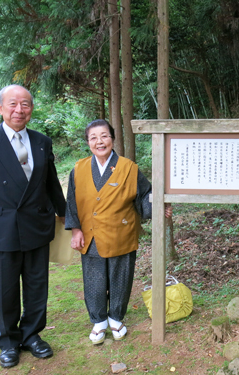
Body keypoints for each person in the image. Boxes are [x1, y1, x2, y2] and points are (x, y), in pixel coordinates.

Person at [0, 84, 66, 368]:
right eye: (13, 104)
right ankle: (8, 341)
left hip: (36, 224)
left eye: (25, 104)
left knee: (36, 285)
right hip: (0, 227)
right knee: (4, 288)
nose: (19, 110)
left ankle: (32, 335)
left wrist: (66, 215)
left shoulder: (42, 141)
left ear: (31, 109)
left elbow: (51, 183)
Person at [65, 119, 171, 345]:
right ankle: (98, 321)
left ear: (112, 139)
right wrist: (75, 230)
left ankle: (115, 318)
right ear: (88, 142)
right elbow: (71, 202)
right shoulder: (79, 168)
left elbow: (145, 194)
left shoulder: (128, 168)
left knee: (120, 277)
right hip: (90, 233)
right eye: (93, 137)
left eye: (104, 136)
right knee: (93, 279)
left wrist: (159, 206)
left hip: (121, 231)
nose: (99, 141)